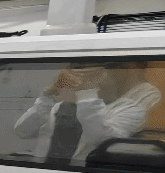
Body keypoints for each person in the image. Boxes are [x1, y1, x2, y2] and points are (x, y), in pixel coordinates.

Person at [13, 65, 162, 164]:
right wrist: (50, 93)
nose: (82, 79)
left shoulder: (130, 110)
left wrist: (87, 92)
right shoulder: (59, 107)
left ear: (117, 74)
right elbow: (22, 131)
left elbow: (100, 141)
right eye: (78, 74)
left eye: (94, 74)